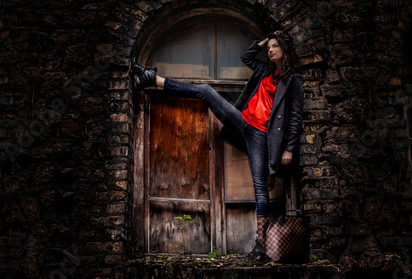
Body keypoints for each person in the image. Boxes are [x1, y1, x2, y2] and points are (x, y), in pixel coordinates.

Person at [129, 30, 304, 260]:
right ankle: (152, 79)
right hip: (244, 122)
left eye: (274, 46)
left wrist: (289, 148)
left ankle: (261, 246)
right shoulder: (264, 71)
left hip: (262, 136)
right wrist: (262, 41)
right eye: (268, 46)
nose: (270, 50)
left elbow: (295, 117)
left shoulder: (292, 81)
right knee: (206, 91)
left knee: (261, 191)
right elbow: (247, 57)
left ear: (284, 49)